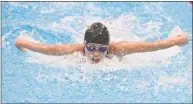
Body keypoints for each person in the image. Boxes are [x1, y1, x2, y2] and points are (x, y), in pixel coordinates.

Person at [15, 22, 189, 64]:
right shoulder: (72, 50)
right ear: (84, 45)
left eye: (101, 49)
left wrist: (178, 40)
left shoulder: (120, 49)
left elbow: (153, 46)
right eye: (90, 48)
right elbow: (44, 49)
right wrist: (21, 43)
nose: (95, 54)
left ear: (108, 46)